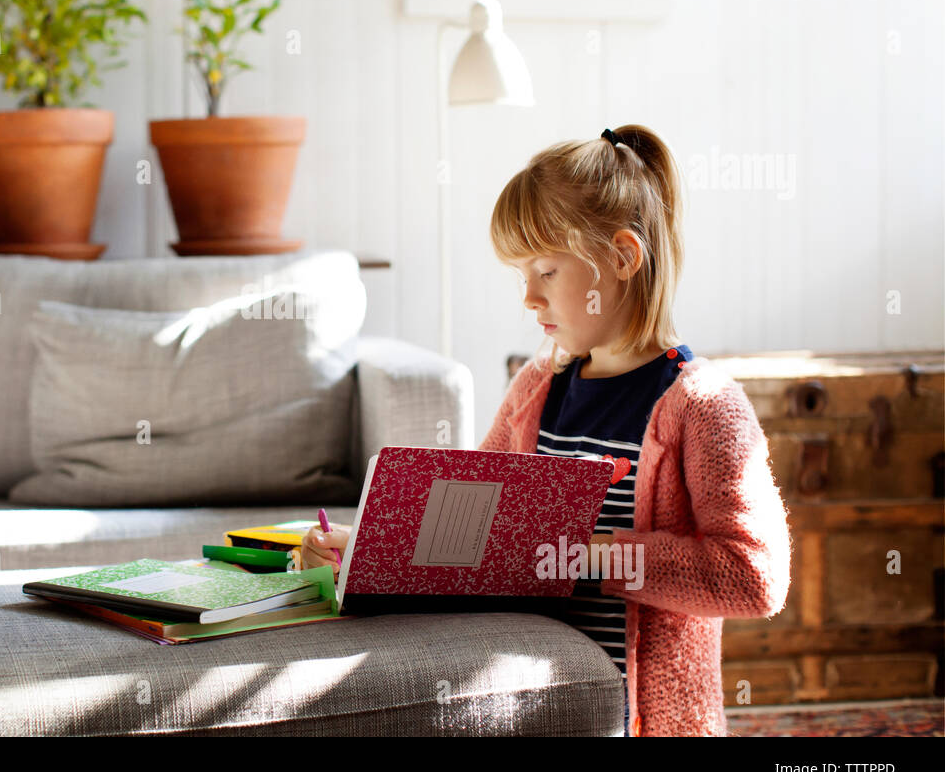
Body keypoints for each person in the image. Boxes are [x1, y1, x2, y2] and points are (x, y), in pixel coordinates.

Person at [301, 125, 791, 737]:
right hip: (527, 709)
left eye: (546, 271)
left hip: (641, 722)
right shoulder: (536, 388)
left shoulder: (702, 406)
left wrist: (588, 557)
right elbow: (473, 542)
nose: (529, 298)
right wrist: (370, 551)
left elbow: (753, 578)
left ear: (621, 257)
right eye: (521, 276)